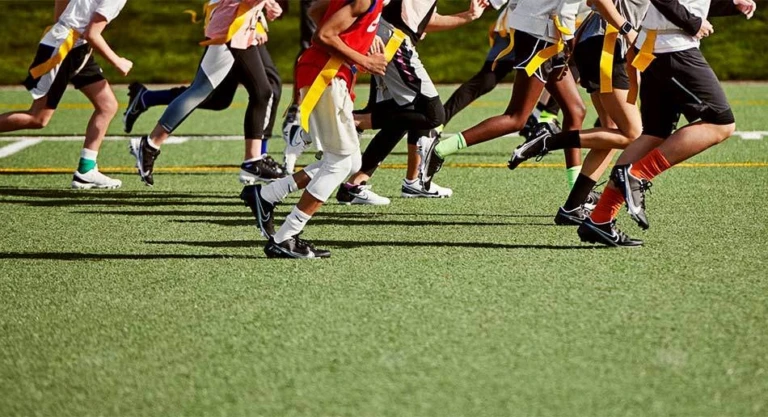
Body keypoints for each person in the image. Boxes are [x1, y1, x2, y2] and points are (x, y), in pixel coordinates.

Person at [577, 0, 757, 247]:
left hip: (657, 47)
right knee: (720, 123)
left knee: (654, 135)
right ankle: (635, 176)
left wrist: (729, 5)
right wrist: (693, 23)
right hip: (672, 48)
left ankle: (599, 219)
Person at [240, 0, 388, 259]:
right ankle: (285, 237)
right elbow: (324, 34)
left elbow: (316, 10)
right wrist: (363, 58)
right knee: (340, 163)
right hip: (326, 75)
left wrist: (360, 36)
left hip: (326, 72)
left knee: (352, 163)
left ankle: (267, 195)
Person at [418, 0, 587, 194]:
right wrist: (572, 43)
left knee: (576, 111)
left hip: (541, 32)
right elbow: (567, 11)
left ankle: (577, 195)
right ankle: (438, 150)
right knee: (516, 118)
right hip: (542, 36)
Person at [506, 0, 651, 226]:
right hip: (607, 45)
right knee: (633, 135)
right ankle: (546, 142)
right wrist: (626, 28)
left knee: (611, 133)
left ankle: (573, 206)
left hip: (599, 43)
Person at [331, 0, 491, 205]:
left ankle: (355, 185)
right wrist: (367, 29)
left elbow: (426, 20)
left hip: (391, 37)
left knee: (407, 112)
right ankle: (354, 121)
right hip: (391, 38)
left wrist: (468, 16)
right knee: (433, 114)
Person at [129, 0, 284, 187]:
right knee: (209, 91)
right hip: (232, 29)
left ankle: (252, 161)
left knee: (255, 92)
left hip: (237, 26)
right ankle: (151, 143)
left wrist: (265, 6)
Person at [0, 0, 130, 189]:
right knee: (38, 118)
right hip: (65, 48)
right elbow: (92, 33)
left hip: (74, 46)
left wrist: (62, 22)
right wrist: (118, 61)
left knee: (107, 105)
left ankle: (86, 170)